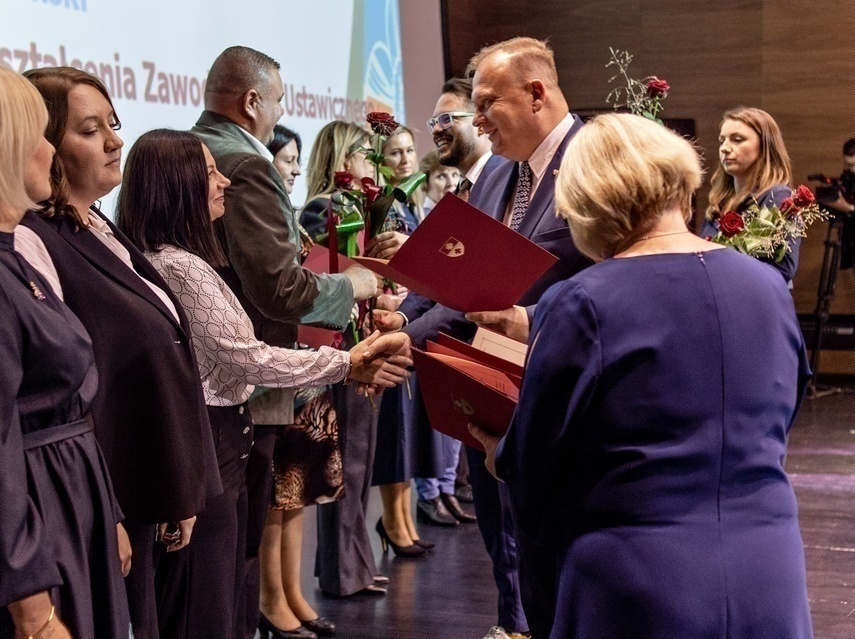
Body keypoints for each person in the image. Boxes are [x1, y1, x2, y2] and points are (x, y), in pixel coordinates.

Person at [471, 112, 814, 639]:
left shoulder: (582, 301)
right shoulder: (767, 288)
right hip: (770, 567)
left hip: (635, 580)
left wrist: (498, 452)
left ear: (585, 204)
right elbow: (781, 414)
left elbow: (535, 461)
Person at [116, 128, 411, 639]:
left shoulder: (187, 261)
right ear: (176, 184)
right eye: (209, 172)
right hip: (214, 435)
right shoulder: (181, 267)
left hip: (225, 432)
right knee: (206, 601)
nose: (224, 182)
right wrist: (344, 362)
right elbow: (245, 358)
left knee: (225, 588)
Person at [393, 38, 591, 639]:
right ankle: (513, 627)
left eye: (487, 103)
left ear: (537, 94)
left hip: (564, 402)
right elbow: (464, 286)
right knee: (504, 543)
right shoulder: (495, 172)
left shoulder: (599, 162)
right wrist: (403, 325)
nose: (477, 121)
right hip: (486, 390)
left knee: (560, 553)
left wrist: (405, 343)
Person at [20, 66, 220, 639]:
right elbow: (66, 385)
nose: (114, 141)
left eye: (113, 123)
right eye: (89, 129)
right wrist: (107, 509)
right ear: (44, 142)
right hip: (102, 499)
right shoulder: (37, 241)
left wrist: (180, 482)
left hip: (148, 490)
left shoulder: (100, 228)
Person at [190, 47, 381, 637]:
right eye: (277, 100)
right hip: (248, 373)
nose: (281, 112)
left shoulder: (194, 146)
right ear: (251, 101)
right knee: (238, 547)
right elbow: (278, 286)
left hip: (214, 373)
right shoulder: (244, 163)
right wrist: (351, 285)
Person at [0, 66, 130, 639]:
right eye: (41, 132)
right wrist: (30, 603)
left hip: (69, 505)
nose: (49, 149)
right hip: (36, 525)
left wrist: (109, 514)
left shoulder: (14, 257)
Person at [298, 120, 417, 589]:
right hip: (337, 346)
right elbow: (320, 279)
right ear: (344, 158)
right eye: (366, 155)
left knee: (361, 455)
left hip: (366, 337)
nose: (375, 162)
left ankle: (356, 564)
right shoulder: (320, 210)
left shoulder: (365, 208)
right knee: (344, 458)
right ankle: (341, 572)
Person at [705, 106, 799, 283]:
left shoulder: (778, 196)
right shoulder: (720, 200)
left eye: (737, 140)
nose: (724, 148)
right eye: (722, 140)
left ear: (765, 146)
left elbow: (783, 270)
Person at [418, 150, 460, 215]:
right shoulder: (421, 219)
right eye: (441, 176)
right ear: (426, 182)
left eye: (454, 174)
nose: (451, 183)